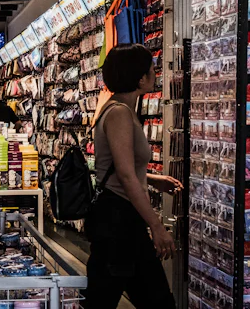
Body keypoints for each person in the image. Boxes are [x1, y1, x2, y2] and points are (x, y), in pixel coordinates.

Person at [85, 43, 183, 309]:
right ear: (140, 78)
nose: (155, 75)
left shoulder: (122, 110)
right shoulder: (118, 113)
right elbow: (126, 176)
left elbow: (122, 168)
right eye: (152, 70)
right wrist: (157, 226)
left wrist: (151, 179)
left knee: (146, 298)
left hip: (121, 222)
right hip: (118, 222)